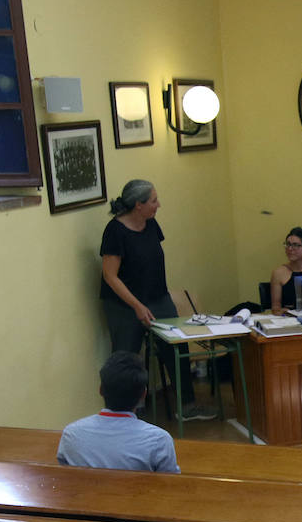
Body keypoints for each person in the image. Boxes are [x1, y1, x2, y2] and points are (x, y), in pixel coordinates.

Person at [99, 178, 216, 420]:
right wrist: (137, 306)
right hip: (124, 305)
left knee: (175, 345)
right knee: (126, 357)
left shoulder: (150, 224)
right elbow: (110, 276)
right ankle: (127, 412)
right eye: (154, 201)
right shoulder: (115, 232)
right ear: (138, 205)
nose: (158, 205)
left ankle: (187, 405)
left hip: (158, 298)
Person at [58, 351, 179, 473]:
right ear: (143, 395)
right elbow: (171, 484)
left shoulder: (71, 434)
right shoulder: (159, 440)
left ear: (100, 390)